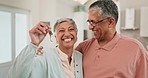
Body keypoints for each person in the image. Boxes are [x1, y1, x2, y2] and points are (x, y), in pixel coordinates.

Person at [75, 0, 148, 78]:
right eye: (89, 22)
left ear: (110, 22)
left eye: (93, 22)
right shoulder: (83, 47)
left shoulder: (136, 49)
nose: (90, 27)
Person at [7, 18, 83, 78]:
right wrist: (33, 45)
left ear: (76, 35)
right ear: (56, 37)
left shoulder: (80, 56)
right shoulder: (44, 55)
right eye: (61, 30)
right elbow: (15, 76)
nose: (66, 34)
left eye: (71, 29)